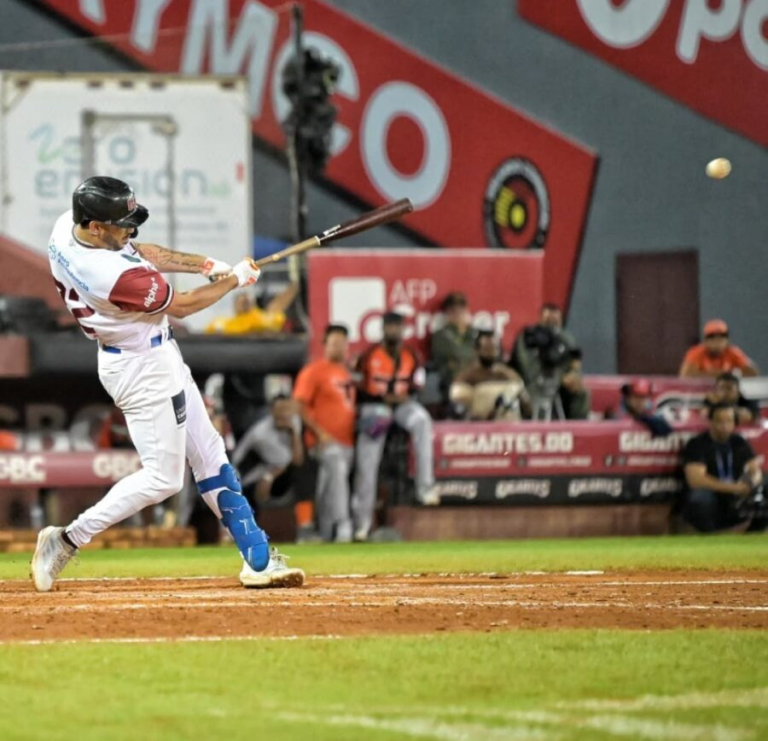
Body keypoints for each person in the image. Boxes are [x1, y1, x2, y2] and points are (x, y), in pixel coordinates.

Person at [31, 176, 304, 591]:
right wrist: (236, 281)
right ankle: (67, 538)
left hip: (155, 353)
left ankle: (258, 558)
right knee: (163, 479)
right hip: (139, 367)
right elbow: (185, 305)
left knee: (211, 452)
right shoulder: (108, 274)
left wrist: (208, 265)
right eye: (121, 224)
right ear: (95, 227)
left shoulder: (67, 228)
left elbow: (144, 252)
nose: (130, 230)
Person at [352, 310, 439, 541]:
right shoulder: (369, 355)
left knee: (421, 420)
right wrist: (380, 401)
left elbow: (417, 385)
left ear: (403, 329)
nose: (394, 331)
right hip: (376, 408)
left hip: (402, 406)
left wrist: (405, 398)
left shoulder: (411, 354)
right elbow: (359, 389)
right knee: (368, 459)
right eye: (390, 327)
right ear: (382, 329)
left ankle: (425, 488)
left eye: (397, 327)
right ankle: (362, 523)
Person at [293, 324, 356, 542]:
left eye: (342, 343)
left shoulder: (348, 373)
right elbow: (299, 405)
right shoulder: (314, 370)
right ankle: (343, 525)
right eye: (334, 343)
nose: (339, 347)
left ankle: (328, 532)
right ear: (325, 345)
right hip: (324, 443)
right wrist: (320, 433)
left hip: (348, 441)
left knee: (331, 487)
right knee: (336, 468)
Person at [681, 403, 764, 533]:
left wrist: (752, 482)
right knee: (699, 497)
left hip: (738, 495)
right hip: (714, 495)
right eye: (719, 421)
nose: (724, 425)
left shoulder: (739, 442)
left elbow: (755, 469)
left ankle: (755, 533)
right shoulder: (697, 444)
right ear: (710, 422)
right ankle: (710, 536)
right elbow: (696, 480)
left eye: (729, 421)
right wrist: (733, 488)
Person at [509, 303, 589, 420]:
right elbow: (525, 368)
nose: (552, 326)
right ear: (540, 318)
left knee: (581, 392)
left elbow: (575, 363)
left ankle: (578, 432)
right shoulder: (527, 337)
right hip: (529, 384)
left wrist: (572, 376)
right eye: (548, 321)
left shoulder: (566, 339)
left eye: (555, 321)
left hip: (560, 385)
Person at [449, 331, 528, 420]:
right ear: (477, 350)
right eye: (487, 349)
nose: (491, 353)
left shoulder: (509, 375)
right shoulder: (467, 377)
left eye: (495, 349)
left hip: (512, 429)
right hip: (482, 429)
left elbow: (527, 407)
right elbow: (458, 411)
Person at [205, 282, 299, 334]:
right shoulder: (222, 323)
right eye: (240, 300)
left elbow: (278, 305)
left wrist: (297, 282)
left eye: (246, 299)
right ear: (234, 304)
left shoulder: (262, 318)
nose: (244, 301)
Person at [430, 291, 476, 396]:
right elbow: (457, 352)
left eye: (461, 310)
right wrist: (472, 358)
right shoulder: (440, 335)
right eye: (453, 311)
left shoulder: (474, 333)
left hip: (477, 382)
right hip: (452, 383)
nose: (458, 314)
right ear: (447, 313)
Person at [679, 319, 758, 378]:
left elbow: (752, 372)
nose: (717, 343)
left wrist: (735, 374)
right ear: (705, 341)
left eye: (721, 339)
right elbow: (686, 376)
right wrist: (723, 375)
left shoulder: (733, 352)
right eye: (712, 339)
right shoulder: (696, 353)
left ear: (726, 341)